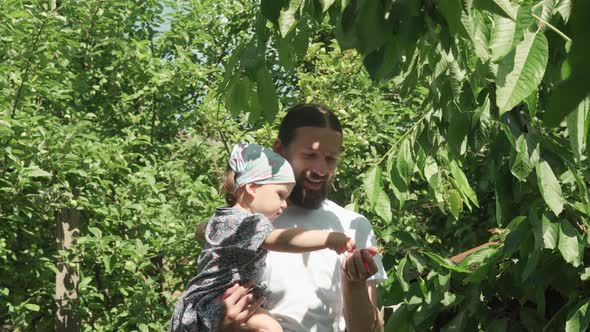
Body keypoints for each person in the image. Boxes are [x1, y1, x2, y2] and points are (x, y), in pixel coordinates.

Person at [203, 104, 388, 332]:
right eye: (309, 155)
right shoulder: (244, 221)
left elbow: (369, 330)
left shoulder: (353, 226)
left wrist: (355, 281)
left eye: (330, 159)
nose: (320, 169)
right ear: (280, 150)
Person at [170, 142, 356, 332]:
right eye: (280, 195)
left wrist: (204, 230)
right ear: (251, 188)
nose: (284, 204)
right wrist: (329, 239)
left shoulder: (225, 218)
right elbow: (282, 239)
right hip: (218, 301)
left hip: (208, 301)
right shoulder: (247, 223)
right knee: (270, 328)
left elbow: (200, 229)